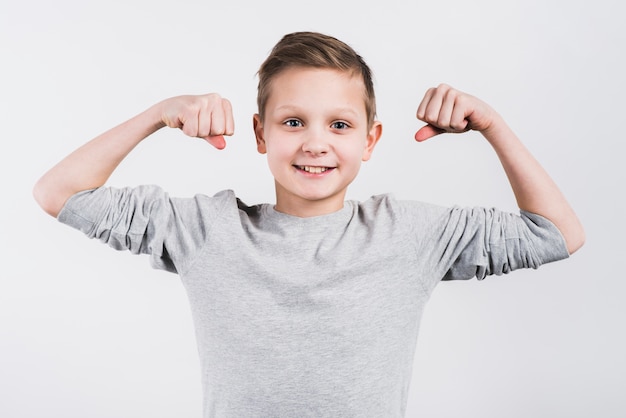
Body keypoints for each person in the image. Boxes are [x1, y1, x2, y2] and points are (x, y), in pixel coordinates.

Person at [33, 31, 584, 417]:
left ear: (369, 141)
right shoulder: (206, 230)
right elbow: (59, 192)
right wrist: (158, 113)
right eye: (293, 121)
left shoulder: (410, 234)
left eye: (339, 124)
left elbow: (556, 234)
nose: (315, 142)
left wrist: (492, 124)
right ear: (260, 134)